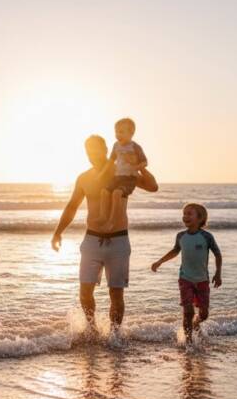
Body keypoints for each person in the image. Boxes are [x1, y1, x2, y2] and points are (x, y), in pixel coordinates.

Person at [51, 135, 158, 335]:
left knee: (116, 294)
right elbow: (72, 206)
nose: (92, 154)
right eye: (88, 151)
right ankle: (92, 331)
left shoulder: (122, 172)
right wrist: (58, 232)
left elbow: (153, 186)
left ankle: (115, 335)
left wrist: (139, 165)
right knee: (85, 292)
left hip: (118, 240)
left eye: (96, 149)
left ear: (105, 149)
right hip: (92, 239)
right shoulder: (84, 178)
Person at [151, 203, 222, 343]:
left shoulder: (207, 236)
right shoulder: (181, 236)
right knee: (188, 312)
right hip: (185, 279)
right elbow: (174, 251)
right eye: (184, 213)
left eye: (190, 213)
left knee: (204, 314)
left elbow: (218, 255)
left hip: (202, 280)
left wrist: (218, 273)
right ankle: (188, 342)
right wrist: (159, 261)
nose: (185, 216)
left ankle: (196, 324)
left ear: (200, 218)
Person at [97, 118, 148, 232]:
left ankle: (113, 220)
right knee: (104, 192)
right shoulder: (116, 145)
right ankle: (103, 216)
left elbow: (145, 162)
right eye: (116, 131)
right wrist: (101, 174)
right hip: (117, 176)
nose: (117, 134)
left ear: (131, 133)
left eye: (121, 132)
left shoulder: (135, 147)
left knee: (117, 193)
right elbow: (110, 161)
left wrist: (135, 166)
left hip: (129, 178)